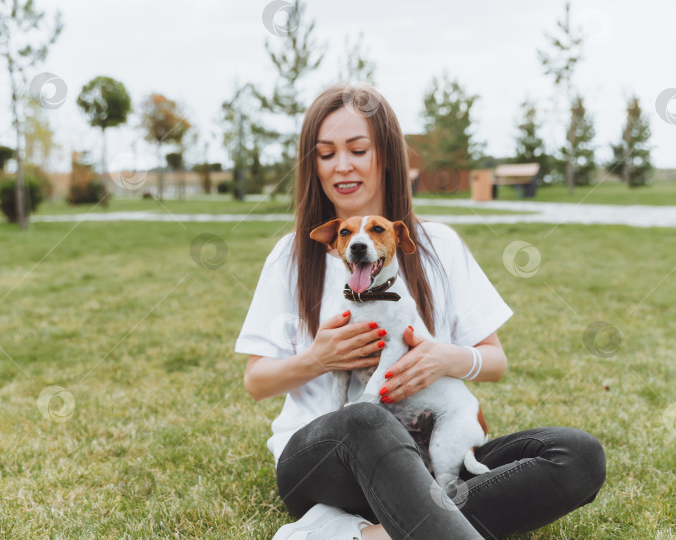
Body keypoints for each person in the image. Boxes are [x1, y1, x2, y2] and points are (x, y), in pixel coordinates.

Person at [235, 83, 606, 540]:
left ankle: (376, 534)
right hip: (325, 465)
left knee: (575, 454)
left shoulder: (439, 245)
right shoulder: (290, 257)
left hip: (428, 460)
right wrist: (319, 358)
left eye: (357, 149)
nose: (342, 166)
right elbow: (256, 382)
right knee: (366, 414)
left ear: (387, 157)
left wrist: (444, 357)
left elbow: (495, 361)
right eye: (326, 153)